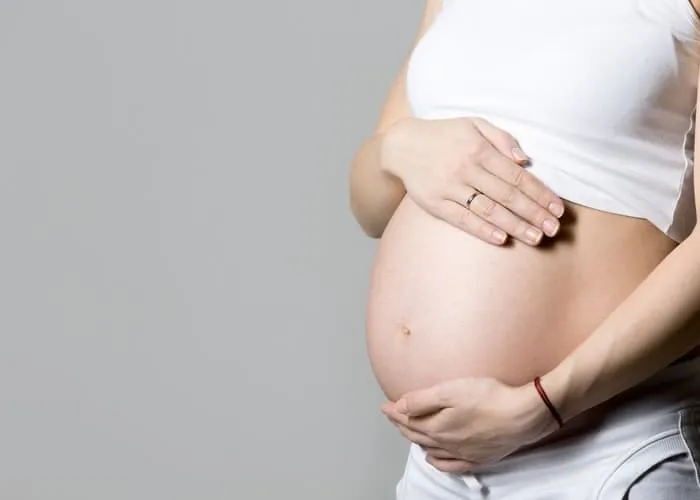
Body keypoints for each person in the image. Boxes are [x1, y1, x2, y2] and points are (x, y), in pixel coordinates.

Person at [349, 1, 700, 498]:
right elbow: (370, 208)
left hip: (608, 450)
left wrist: (544, 404)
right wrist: (398, 149)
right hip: (440, 470)